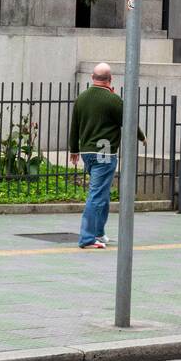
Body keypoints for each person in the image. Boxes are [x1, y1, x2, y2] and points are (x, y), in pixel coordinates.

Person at [68, 63, 146, 249]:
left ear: (92, 77)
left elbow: (75, 126)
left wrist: (73, 150)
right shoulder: (113, 100)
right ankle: (87, 238)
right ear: (110, 80)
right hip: (104, 152)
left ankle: (99, 233)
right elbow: (129, 121)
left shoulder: (81, 98)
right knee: (97, 194)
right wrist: (141, 136)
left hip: (87, 151)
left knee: (102, 194)